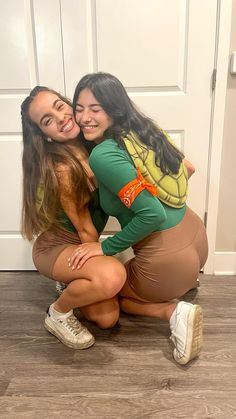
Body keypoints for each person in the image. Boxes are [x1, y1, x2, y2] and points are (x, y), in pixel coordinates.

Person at [71, 72, 208, 365]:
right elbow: (189, 168)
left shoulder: (103, 154)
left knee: (106, 297)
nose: (84, 117)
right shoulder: (144, 129)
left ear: (114, 108)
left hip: (167, 261)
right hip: (196, 236)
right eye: (79, 108)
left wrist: (104, 248)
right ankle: (180, 283)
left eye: (95, 109)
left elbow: (152, 214)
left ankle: (172, 312)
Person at [20, 86, 126, 350]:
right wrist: (102, 258)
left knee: (107, 319)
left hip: (77, 245)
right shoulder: (64, 168)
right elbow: (86, 232)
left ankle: (70, 280)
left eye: (59, 106)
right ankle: (57, 313)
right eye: (47, 120)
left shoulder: (95, 142)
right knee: (112, 277)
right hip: (56, 248)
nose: (60, 118)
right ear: (43, 135)